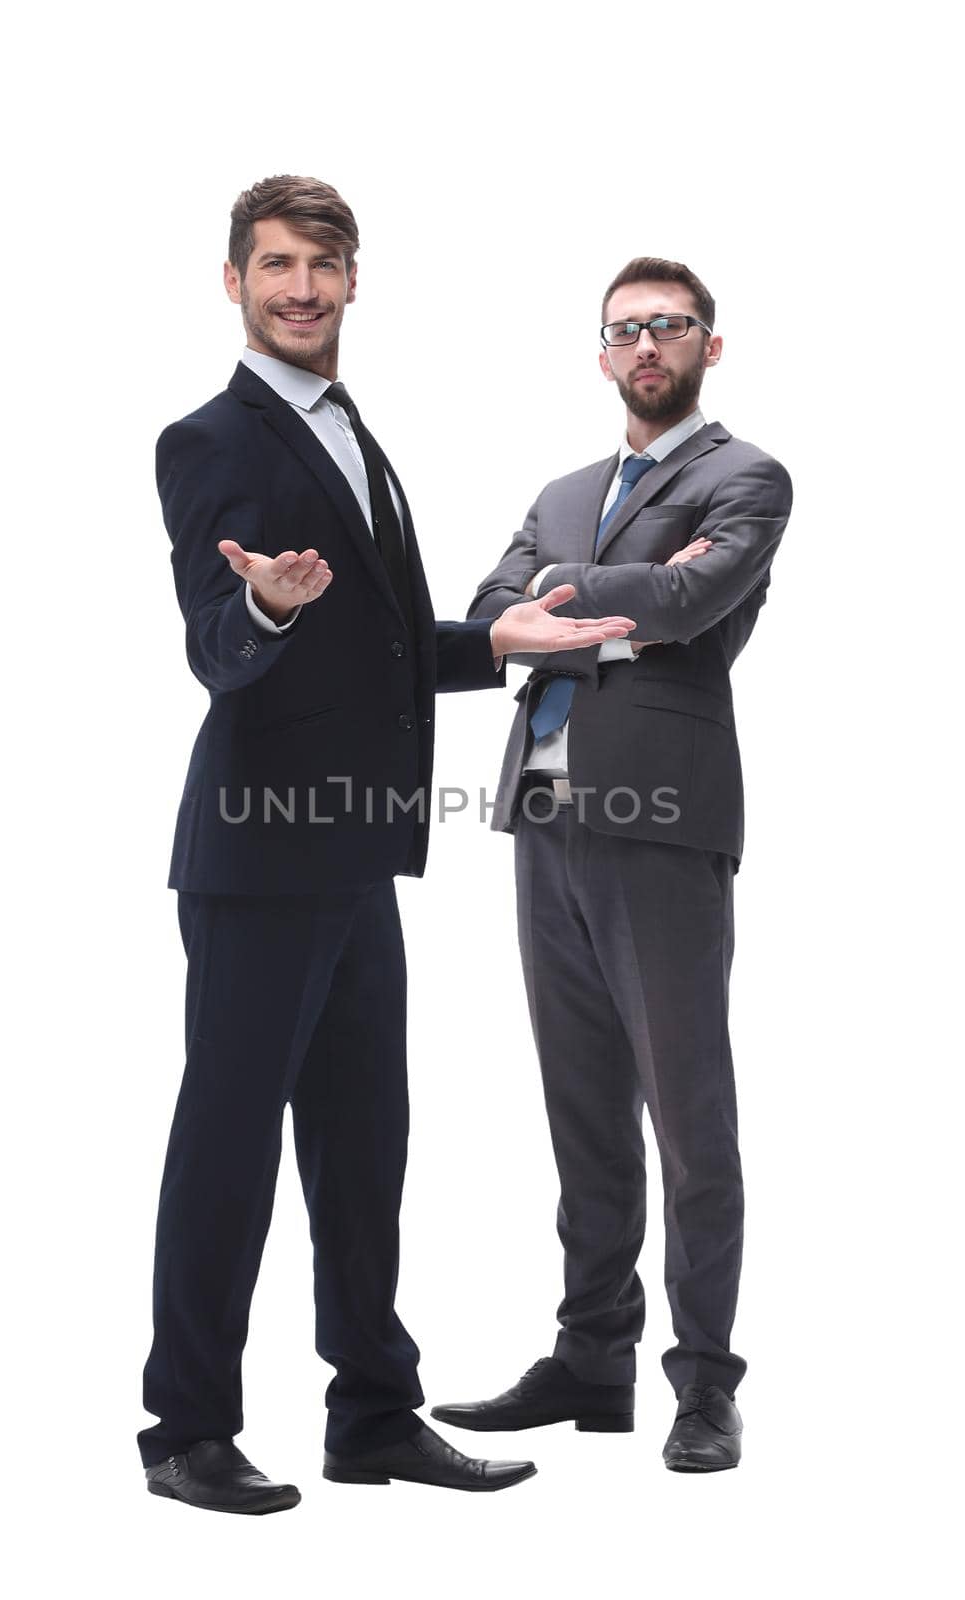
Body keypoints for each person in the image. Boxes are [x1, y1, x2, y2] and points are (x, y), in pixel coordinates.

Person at [138, 174, 636, 1514]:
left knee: (366, 1146)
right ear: (233, 283)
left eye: (321, 262)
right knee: (229, 1145)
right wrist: (269, 617)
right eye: (274, 263)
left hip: (355, 861)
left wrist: (498, 646)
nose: (298, 285)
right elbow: (219, 646)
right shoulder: (211, 441)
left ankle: (370, 1414)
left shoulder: (349, 429)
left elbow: (372, 650)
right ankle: (185, 1430)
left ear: (354, 279)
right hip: (255, 858)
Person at [432, 257, 792, 1472]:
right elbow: (488, 610)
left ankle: (704, 1384)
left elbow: (694, 601)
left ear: (708, 345)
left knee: (690, 1117)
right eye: (625, 330)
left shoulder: (743, 474)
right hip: (545, 815)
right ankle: (593, 1358)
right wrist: (553, 603)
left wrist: (557, 594)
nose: (647, 346)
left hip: (664, 820)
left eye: (670, 327)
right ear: (601, 355)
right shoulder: (566, 485)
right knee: (582, 1109)